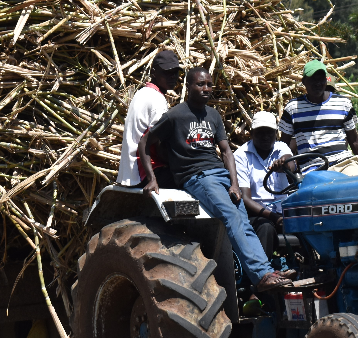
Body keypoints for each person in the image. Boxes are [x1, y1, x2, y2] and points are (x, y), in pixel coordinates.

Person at [138, 67, 292, 292]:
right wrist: (151, 178)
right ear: (188, 86)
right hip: (197, 177)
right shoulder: (175, 115)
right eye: (200, 84)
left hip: (220, 174)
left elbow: (227, 151)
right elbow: (145, 144)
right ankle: (261, 275)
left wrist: (235, 184)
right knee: (229, 216)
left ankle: (267, 272)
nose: (206, 89)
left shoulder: (213, 115)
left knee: (243, 222)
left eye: (209, 84)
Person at [278, 59, 358, 176]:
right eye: (313, 79)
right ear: (304, 81)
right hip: (313, 170)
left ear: (326, 80)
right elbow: (284, 145)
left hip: (344, 164)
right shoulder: (293, 108)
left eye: (321, 78)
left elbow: (355, 141)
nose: (318, 83)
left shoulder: (343, 103)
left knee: (356, 187)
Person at [234, 111, 294, 260]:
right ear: (251, 134)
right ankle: (263, 274)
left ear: (276, 134)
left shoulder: (282, 148)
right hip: (257, 214)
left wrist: (285, 163)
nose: (266, 137)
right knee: (266, 227)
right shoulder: (241, 156)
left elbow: (292, 163)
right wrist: (274, 217)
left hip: (285, 211)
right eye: (261, 133)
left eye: (270, 133)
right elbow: (246, 199)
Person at [116, 50, 181, 188]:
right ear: (154, 72)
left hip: (130, 173)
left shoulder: (142, 93)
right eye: (167, 72)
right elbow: (157, 144)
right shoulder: (156, 99)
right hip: (145, 173)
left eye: (175, 72)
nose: (173, 77)